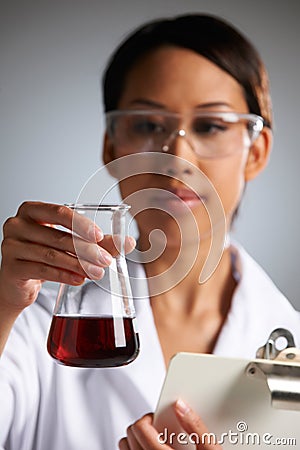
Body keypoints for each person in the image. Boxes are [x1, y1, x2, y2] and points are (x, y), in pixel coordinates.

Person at [0, 13, 299, 450]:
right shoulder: (31, 318)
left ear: (256, 151)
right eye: (147, 125)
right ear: (111, 146)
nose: (177, 154)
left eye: (210, 126)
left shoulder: (290, 344)